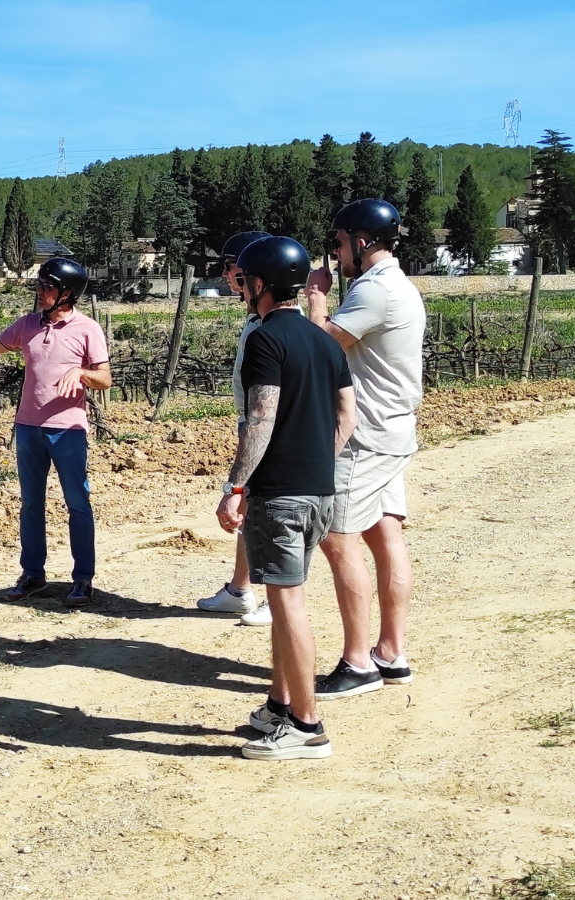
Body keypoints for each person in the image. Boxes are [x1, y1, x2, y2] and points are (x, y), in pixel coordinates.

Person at [214, 237, 356, 760]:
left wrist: (235, 487)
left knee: (287, 604)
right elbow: (348, 416)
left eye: (244, 279)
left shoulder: (264, 339)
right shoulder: (323, 340)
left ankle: (307, 724)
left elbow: (260, 417)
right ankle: (279, 703)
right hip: (322, 489)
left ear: (258, 284)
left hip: (279, 494)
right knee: (283, 594)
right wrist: (318, 458)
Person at [0, 257, 112, 604]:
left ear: (67, 294)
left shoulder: (88, 329)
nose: (39, 291)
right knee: (31, 504)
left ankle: (83, 578)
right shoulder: (27, 325)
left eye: (47, 286)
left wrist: (80, 374)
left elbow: (104, 379)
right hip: (28, 428)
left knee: (77, 503)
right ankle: (33, 575)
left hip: (67, 430)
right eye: (39, 285)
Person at [305, 199, 427, 700]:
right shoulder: (398, 285)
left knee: (338, 537)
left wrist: (315, 300)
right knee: (385, 534)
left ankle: (357, 662)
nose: (334, 254)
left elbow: (318, 350)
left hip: (365, 435)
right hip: (393, 428)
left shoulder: (375, 291)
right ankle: (390, 652)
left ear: (361, 240)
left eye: (337, 243)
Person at [196, 230, 273, 626]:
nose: (227, 276)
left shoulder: (267, 323)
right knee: (249, 505)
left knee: (263, 508)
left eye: (230, 268)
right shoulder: (252, 316)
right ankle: (240, 589)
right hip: (251, 418)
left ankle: (276, 598)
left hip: (263, 422)